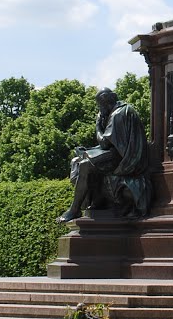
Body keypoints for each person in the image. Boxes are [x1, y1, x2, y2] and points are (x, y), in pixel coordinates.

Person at [58, 88, 152, 223]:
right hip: (122, 154)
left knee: (84, 165)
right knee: (77, 159)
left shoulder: (118, 114)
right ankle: (95, 200)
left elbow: (104, 143)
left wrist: (97, 125)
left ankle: (75, 209)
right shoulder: (123, 110)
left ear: (105, 103)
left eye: (100, 105)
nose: (99, 108)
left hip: (124, 159)